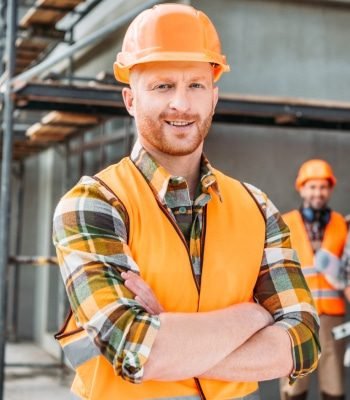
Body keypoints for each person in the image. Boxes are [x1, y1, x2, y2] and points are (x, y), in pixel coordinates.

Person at [53, 4, 320, 400]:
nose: (181, 103)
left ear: (213, 97)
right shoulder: (95, 204)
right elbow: (133, 348)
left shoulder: (257, 208)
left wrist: (169, 331)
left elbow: (303, 341)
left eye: (195, 85)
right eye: (162, 86)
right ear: (130, 99)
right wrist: (255, 315)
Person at [280, 159, 350, 400]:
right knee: (293, 382)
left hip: (332, 317)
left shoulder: (343, 224)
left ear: (330, 190)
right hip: (296, 315)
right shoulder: (285, 223)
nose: (318, 192)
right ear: (301, 188)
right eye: (312, 187)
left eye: (323, 187)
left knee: (334, 383)